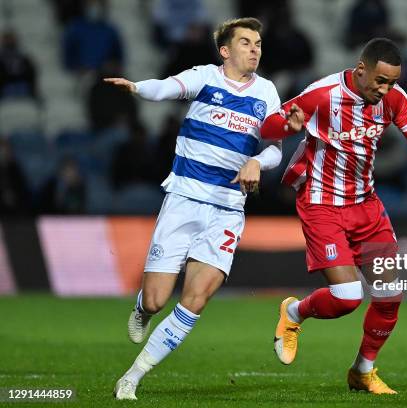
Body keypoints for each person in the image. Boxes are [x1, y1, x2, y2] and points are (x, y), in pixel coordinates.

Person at [104, 17, 282, 400]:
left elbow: (274, 148)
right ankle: (142, 308)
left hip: (228, 209)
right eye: (247, 42)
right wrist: (137, 87)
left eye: (258, 44)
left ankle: (132, 377)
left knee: (196, 299)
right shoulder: (206, 77)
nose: (255, 49)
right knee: (155, 299)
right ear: (225, 50)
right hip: (184, 199)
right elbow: (166, 88)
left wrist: (256, 162)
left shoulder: (267, 92)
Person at [260, 38, 407, 394]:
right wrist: (289, 126)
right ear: (361, 69)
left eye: (391, 82)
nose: (385, 89)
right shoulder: (322, 94)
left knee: (390, 294)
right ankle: (294, 313)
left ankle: (363, 370)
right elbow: (266, 127)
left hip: (365, 205)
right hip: (321, 203)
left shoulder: (393, 99)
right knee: (346, 297)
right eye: (380, 80)